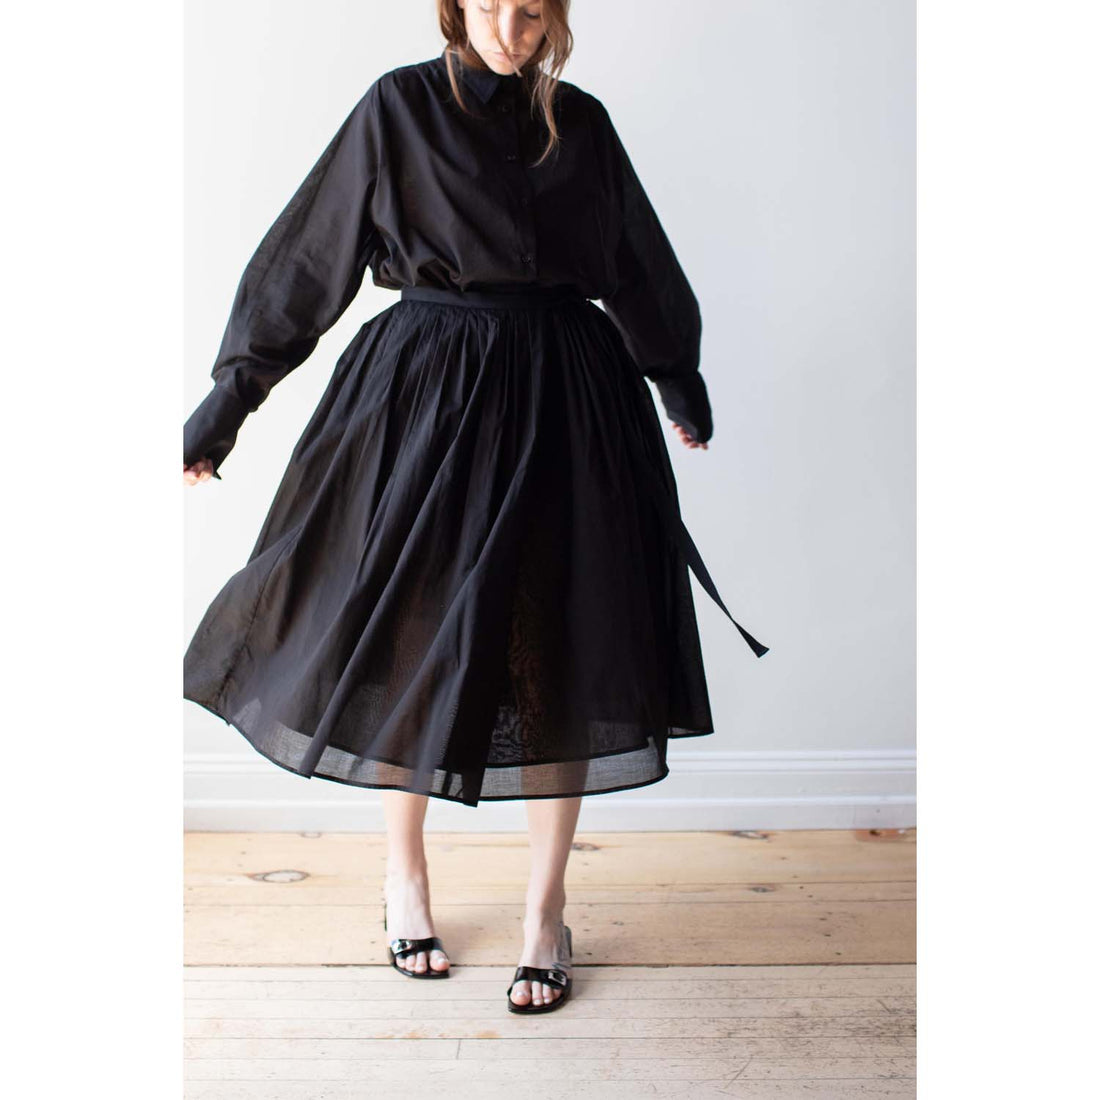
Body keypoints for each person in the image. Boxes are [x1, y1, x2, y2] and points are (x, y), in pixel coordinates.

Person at [183, 0, 767, 1014]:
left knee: (563, 642)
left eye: (533, 9)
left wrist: (677, 376)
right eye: (493, 4)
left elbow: (633, 258)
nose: (512, 26)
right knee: (411, 634)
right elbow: (308, 259)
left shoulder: (579, 123)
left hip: (565, 398)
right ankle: (403, 879)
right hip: (426, 398)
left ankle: (546, 910)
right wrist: (228, 403)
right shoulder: (398, 107)